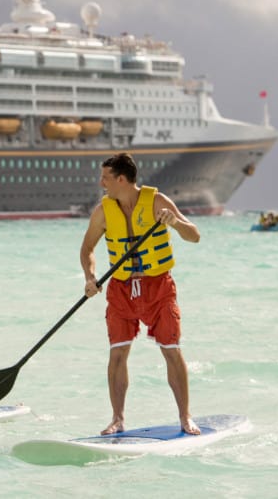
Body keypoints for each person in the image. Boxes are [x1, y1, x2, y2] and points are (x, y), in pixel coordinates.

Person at [79, 153, 201, 436]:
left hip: (158, 287)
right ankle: (118, 419)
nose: (101, 183)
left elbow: (194, 235)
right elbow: (86, 250)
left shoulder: (158, 201)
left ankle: (185, 416)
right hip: (121, 290)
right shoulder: (103, 211)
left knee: (171, 351)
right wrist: (90, 278)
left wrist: (175, 223)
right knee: (117, 353)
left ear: (121, 179)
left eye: (105, 178)